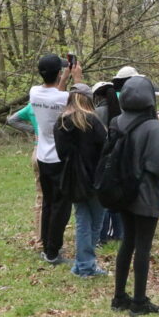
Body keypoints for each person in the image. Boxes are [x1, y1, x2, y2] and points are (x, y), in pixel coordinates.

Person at [110, 76, 159, 317]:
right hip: (146, 193)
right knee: (143, 247)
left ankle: (119, 296)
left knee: (127, 242)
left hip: (122, 192)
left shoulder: (117, 121)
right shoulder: (151, 127)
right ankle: (138, 301)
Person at [30, 54, 81, 265]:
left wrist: (64, 77)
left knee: (49, 203)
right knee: (62, 206)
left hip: (43, 156)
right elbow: (84, 104)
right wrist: (77, 79)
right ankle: (53, 252)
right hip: (61, 158)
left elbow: (53, 95)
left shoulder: (34, 92)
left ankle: (46, 245)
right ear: (58, 73)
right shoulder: (65, 98)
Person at [53, 84, 107, 277]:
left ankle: (82, 263)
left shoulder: (61, 122)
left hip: (72, 178)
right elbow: (105, 150)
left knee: (83, 218)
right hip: (95, 178)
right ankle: (86, 265)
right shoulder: (93, 121)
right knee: (95, 222)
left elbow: (61, 153)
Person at [6, 103, 43, 246]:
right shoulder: (58, 102)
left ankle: (40, 238)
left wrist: (34, 129)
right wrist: (34, 129)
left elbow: (12, 120)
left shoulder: (33, 104)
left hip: (37, 149)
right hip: (49, 150)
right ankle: (45, 240)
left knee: (41, 197)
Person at [92, 81, 123, 245]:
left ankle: (101, 236)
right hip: (118, 158)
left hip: (101, 159)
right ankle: (119, 233)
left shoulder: (95, 113)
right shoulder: (120, 113)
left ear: (97, 96)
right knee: (116, 198)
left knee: (102, 199)